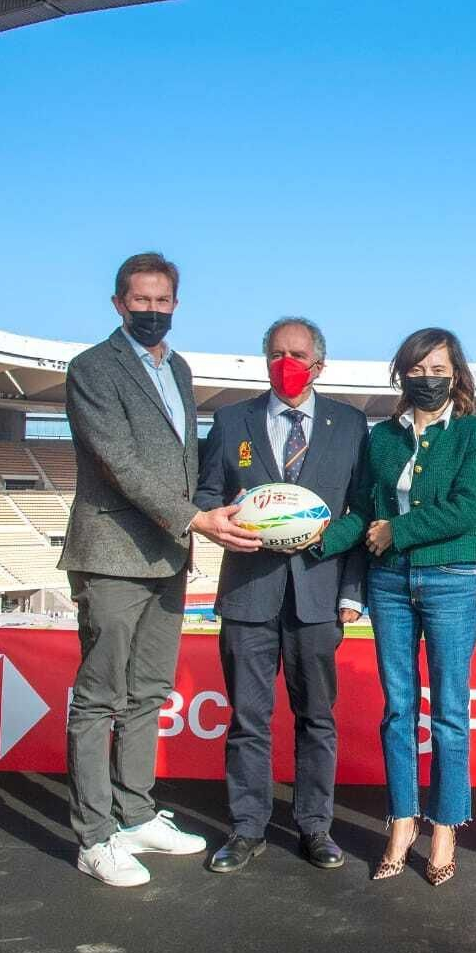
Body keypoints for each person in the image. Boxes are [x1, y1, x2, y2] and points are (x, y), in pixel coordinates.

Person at [59, 252, 261, 887]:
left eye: (162, 300)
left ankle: (136, 813)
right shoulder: (92, 368)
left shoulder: (178, 368)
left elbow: (183, 461)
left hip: (167, 554)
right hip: (113, 552)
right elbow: (118, 461)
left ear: (176, 304)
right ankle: (94, 836)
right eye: (141, 300)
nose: (152, 310)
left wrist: (227, 500)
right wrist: (196, 518)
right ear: (119, 304)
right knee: (99, 698)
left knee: (148, 692)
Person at [194, 317, 368, 875]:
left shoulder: (350, 424)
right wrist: (225, 517)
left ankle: (315, 826)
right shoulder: (230, 420)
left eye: (296, 354)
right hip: (248, 593)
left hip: (318, 595)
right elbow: (205, 494)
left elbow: (362, 510)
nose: (285, 364)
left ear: (319, 364)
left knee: (317, 718)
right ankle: (246, 828)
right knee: (248, 719)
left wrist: (352, 592)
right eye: (275, 354)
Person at [337, 328, 476, 885]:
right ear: (402, 373)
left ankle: (446, 825)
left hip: (451, 578)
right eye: (417, 368)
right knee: (398, 708)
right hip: (388, 582)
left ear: (456, 374)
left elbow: (467, 509)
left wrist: (397, 532)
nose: (427, 378)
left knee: (450, 711)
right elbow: (364, 514)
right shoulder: (382, 437)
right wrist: (312, 540)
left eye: (438, 369)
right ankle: (402, 820)